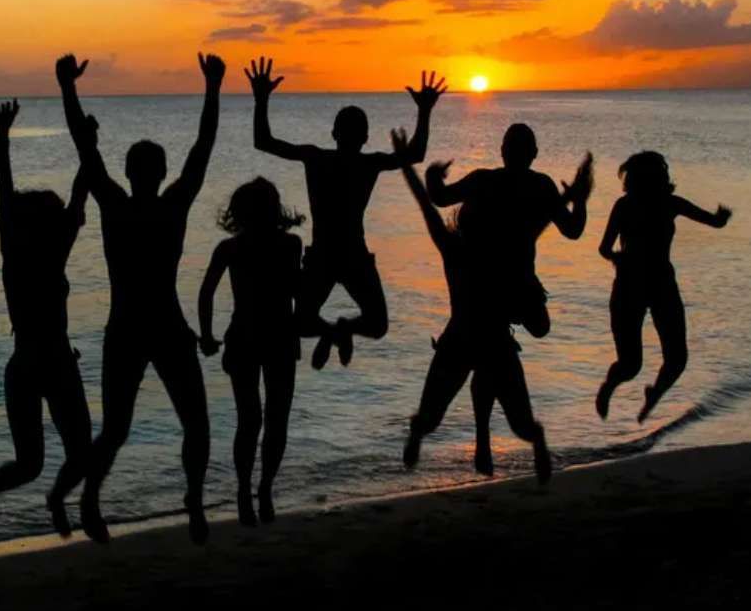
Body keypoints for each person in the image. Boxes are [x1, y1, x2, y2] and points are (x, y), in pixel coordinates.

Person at [56, 52, 223, 545]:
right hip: (155, 326)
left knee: (121, 429)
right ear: (158, 171)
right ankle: (184, 499)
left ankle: (94, 499)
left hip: (134, 327)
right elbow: (203, 145)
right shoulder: (170, 205)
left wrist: (67, 86)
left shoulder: (116, 204)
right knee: (189, 423)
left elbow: (83, 147)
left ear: (129, 172)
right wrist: (212, 87)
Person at [250, 57, 446, 369]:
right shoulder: (368, 164)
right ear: (365, 138)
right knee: (376, 324)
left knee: (301, 323)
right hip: (353, 254)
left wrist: (261, 99)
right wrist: (424, 111)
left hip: (325, 255)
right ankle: (340, 329)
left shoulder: (315, 158)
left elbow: (263, 141)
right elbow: (416, 154)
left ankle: (334, 331)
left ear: (333, 133)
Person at [391, 129, 552, 484]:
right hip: (479, 341)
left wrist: (408, 165)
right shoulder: (504, 250)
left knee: (436, 417)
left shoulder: (463, 248)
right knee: (515, 422)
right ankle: (424, 433)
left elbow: (426, 204)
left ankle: (425, 433)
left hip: (469, 340)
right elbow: (536, 223)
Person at [0, 99, 94, 539]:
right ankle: (54, 497)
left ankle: (3, 494)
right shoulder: (51, 253)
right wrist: (88, 145)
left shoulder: (14, 255)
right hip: (53, 362)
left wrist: (3, 136)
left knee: (32, 462)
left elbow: (7, 191)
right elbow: (81, 190)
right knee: (76, 452)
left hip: (25, 364)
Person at [197, 177, 303, 526]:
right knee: (270, 420)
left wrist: (208, 334)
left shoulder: (233, 248)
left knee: (255, 420)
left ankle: (253, 490)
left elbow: (207, 292)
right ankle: (258, 490)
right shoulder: (288, 244)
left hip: (251, 336)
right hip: (272, 338)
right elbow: (298, 292)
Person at [595, 151, 732, 423]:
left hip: (662, 286)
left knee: (677, 358)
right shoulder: (625, 206)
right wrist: (616, 258)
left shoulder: (671, 203)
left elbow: (711, 221)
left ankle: (654, 394)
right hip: (629, 287)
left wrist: (721, 217)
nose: (666, 177)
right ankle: (608, 388)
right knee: (631, 365)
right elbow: (604, 248)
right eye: (662, 172)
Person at [427, 124, 592, 339]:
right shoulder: (541, 186)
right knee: (540, 327)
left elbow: (439, 197)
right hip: (514, 280)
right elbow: (573, 230)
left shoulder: (482, 180)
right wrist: (580, 199)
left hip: (479, 281)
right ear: (534, 154)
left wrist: (433, 175)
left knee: (536, 325)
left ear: (502, 151)